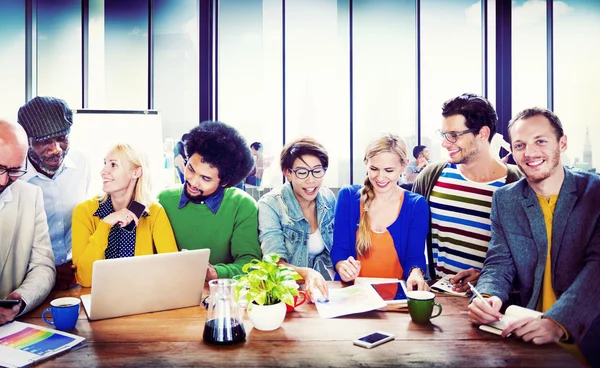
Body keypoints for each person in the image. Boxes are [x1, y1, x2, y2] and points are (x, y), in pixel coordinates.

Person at [467, 108, 600, 366]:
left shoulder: (595, 193)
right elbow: (499, 263)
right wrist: (486, 295)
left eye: (540, 141)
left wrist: (559, 321)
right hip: (525, 336)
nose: (529, 152)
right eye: (520, 145)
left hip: (587, 338)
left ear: (562, 143)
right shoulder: (505, 199)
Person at [412, 93, 522, 292]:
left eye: (454, 135)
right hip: (439, 303)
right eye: (444, 134)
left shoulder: (517, 185)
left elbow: (531, 259)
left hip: (492, 307)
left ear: (483, 133)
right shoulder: (430, 177)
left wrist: (488, 278)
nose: (445, 143)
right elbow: (411, 237)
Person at [158, 121, 262, 281]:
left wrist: (215, 272)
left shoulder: (242, 206)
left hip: (223, 295)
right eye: (191, 169)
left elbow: (251, 263)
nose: (193, 182)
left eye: (205, 178)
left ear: (225, 182)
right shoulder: (163, 200)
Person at [331, 134, 429, 291]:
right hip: (352, 297)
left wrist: (416, 273)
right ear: (366, 164)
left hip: (396, 301)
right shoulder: (348, 197)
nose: (380, 177)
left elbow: (415, 257)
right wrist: (341, 265)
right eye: (374, 169)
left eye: (389, 170)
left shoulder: (416, 205)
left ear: (404, 165)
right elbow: (339, 249)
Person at [72, 143, 179, 287]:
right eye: (105, 164)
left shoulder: (154, 212)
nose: (104, 171)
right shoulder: (84, 211)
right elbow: (85, 279)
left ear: (136, 172)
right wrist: (105, 224)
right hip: (99, 298)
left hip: (142, 295)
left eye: (113, 165)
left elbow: (172, 268)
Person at [17, 96, 90, 290]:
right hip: (26, 280)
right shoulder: (11, 177)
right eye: (44, 142)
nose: (56, 150)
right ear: (27, 140)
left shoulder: (82, 163)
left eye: (61, 139)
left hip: (76, 275)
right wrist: (47, 272)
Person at [258, 137, 336, 302]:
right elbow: (274, 264)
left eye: (317, 170)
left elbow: (335, 252)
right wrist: (306, 273)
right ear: (288, 173)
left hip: (318, 295)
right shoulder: (271, 204)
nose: (311, 180)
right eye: (302, 172)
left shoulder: (328, 199)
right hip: (285, 296)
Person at [0, 120, 55, 325]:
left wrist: (20, 301)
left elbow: (43, 266)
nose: (4, 181)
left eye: (14, 170)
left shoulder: (30, 196)